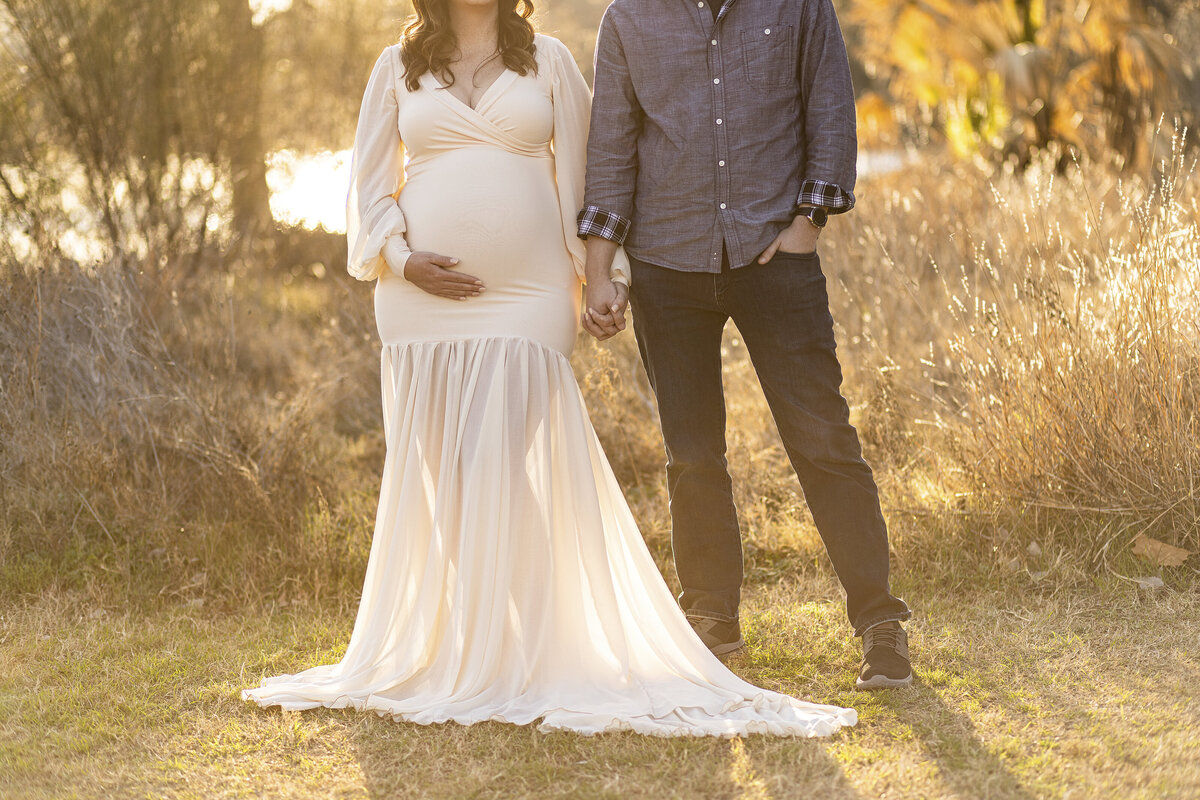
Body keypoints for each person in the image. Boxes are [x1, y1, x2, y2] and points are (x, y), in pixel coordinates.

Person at [242, 0, 857, 736]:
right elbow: (369, 188)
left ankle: (535, 651)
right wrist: (404, 261)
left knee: (500, 462)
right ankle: (481, 651)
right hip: (420, 306)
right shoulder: (395, 68)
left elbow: (598, 176)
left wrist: (606, 278)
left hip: (530, 297)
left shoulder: (551, 61)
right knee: (446, 474)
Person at [577, 0, 914, 690]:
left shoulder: (797, 6)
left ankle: (880, 623)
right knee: (693, 454)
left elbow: (829, 111)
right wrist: (598, 270)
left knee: (822, 439)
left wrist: (807, 226)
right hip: (668, 264)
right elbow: (611, 145)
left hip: (775, 259)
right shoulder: (628, 19)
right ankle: (711, 617)